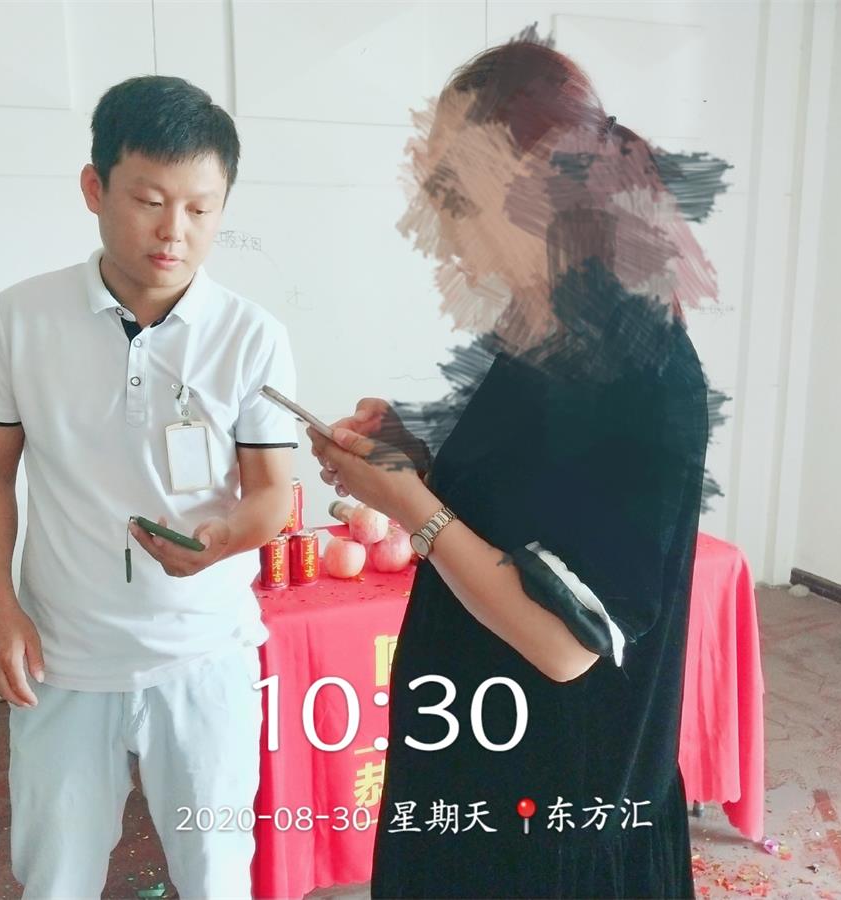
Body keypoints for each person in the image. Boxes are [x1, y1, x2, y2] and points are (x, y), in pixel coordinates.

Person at [307, 33, 718, 899]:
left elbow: (566, 642)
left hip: (553, 826)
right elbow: (517, 511)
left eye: (456, 190)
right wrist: (411, 453)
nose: (436, 215)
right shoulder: (537, 334)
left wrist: (411, 505)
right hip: (475, 773)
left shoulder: (642, 370)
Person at [0, 75, 297, 898]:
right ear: (94, 187)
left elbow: (272, 495)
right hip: (63, 655)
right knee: (56, 877)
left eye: (201, 208)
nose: (174, 231)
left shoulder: (251, 336)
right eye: (149, 201)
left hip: (204, 655)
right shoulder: (22, 318)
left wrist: (224, 540)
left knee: (215, 877)